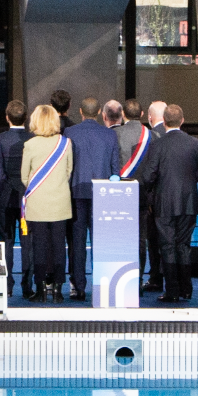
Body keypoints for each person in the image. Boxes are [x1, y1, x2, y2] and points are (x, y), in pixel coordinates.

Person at [140, 103, 198, 303]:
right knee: (183, 246)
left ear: (164, 121)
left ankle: (172, 291)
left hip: (164, 203)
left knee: (167, 246)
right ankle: (186, 289)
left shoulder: (158, 144)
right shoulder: (195, 144)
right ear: (182, 121)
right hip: (188, 203)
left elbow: (148, 177)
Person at [65, 97, 121, 302]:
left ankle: (78, 287)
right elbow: (116, 168)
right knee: (101, 242)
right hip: (102, 194)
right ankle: (103, 284)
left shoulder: (70, 133)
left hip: (77, 192)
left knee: (77, 242)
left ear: (80, 111)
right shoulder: (109, 135)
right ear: (99, 112)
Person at [20, 104, 73, 303]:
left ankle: (41, 289)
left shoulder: (30, 145)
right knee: (59, 246)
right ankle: (58, 290)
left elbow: (25, 177)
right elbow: (68, 172)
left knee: (39, 247)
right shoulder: (66, 143)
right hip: (60, 203)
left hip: (38, 204)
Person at [119, 100, 167, 295]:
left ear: (123, 114)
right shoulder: (154, 136)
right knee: (141, 239)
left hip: (119, 195)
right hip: (144, 196)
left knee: (120, 237)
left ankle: (120, 279)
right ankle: (137, 280)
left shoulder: (115, 134)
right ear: (141, 114)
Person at [0, 100, 35, 296]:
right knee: (27, 241)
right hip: (26, 199)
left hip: (5, 197)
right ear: (26, 118)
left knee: (6, 241)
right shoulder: (33, 139)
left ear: (6, 117)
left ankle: (7, 286)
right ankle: (27, 287)